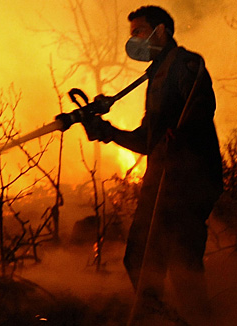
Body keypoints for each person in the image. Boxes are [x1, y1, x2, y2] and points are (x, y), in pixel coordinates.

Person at [82, 5, 223, 325]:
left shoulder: (186, 63)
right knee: (140, 256)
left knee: (181, 259)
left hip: (189, 177)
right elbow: (148, 141)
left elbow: (201, 104)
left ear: (162, 32)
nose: (133, 40)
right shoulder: (156, 75)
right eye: (131, 34)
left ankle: (196, 320)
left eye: (139, 32)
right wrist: (108, 132)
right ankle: (160, 318)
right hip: (161, 177)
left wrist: (182, 134)